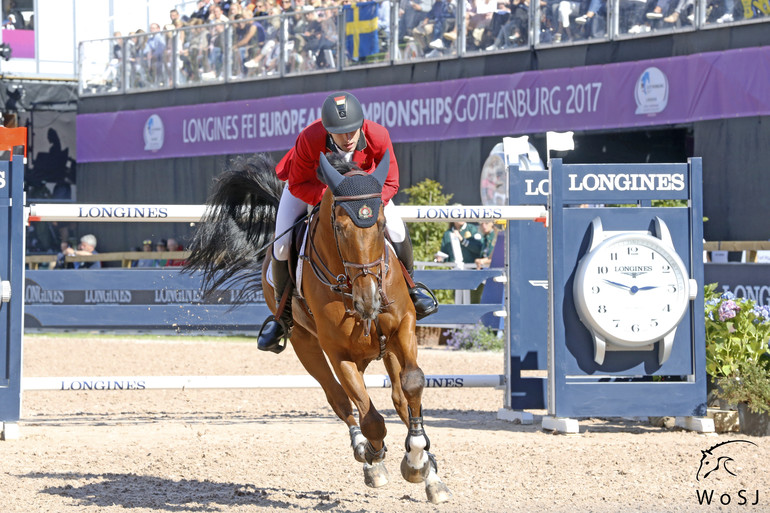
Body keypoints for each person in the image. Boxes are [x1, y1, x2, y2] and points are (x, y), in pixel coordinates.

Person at [257, 91, 438, 353]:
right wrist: (334, 201)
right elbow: (298, 184)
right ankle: (282, 318)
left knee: (397, 230)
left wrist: (364, 202)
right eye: (340, 133)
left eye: (353, 130)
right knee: (283, 245)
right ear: (327, 130)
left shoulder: (378, 135)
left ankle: (412, 291)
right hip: (310, 189)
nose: (348, 138)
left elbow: (391, 183)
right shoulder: (310, 138)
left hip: (366, 193)